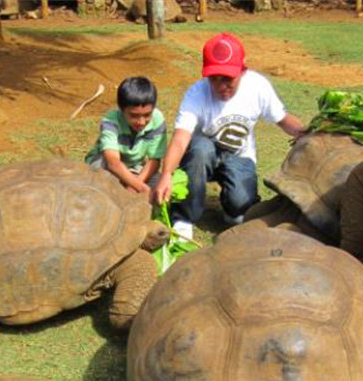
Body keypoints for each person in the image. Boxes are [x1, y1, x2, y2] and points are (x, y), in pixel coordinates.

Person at [153, 33, 305, 239]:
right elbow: (181, 138)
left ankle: (231, 205)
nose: (220, 85)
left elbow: (282, 119)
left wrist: (306, 133)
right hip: (202, 156)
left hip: (239, 156)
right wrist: (166, 175)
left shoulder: (258, 87)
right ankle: (184, 216)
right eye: (214, 79)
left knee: (240, 208)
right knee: (200, 148)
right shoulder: (197, 94)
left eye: (228, 79)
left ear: (243, 71)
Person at [85, 76, 167, 195]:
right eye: (134, 116)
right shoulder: (110, 121)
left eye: (147, 115)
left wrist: (135, 185)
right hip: (104, 166)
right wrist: (141, 188)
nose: (141, 122)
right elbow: (113, 163)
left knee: (160, 185)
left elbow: (154, 160)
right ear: (121, 110)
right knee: (99, 179)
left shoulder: (157, 119)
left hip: (135, 167)